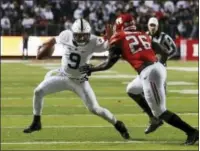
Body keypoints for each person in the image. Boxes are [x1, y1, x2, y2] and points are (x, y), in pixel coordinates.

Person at [80, 13, 199, 145]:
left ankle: (191, 132)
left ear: (119, 25)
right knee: (132, 89)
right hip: (155, 67)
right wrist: (160, 68)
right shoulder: (143, 34)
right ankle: (153, 118)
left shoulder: (119, 37)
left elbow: (109, 63)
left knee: (161, 111)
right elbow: (163, 52)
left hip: (149, 73)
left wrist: (92, 69)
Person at [23, 18, 130, 139]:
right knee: (38, 91)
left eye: (85, 36)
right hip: (63, 76)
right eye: (79, 35)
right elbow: (54, 40)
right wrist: (46, 45)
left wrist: (111, 39)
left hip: (80, 81)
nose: (82, 38)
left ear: (89, 34)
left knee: (95, 109)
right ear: (73, 33)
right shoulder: (66, 35)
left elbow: (109, 47)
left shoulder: (94, 41)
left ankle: (117, 124)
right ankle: (36, 122)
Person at [126, 17, 178, 135]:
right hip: (147, 68)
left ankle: (158, 117)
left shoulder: (164, 37)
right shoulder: (145, 36)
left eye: (154, 25)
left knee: (160, 101)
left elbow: (173, 48)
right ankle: (154, 118)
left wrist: (163, 60)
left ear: (158, 26)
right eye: (151, 25)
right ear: (148, 25)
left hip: (159, 69)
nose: (153, 27)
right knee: (142, 92)